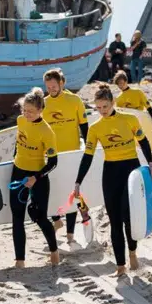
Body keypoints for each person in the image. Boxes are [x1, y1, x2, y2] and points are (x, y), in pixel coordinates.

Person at [74, 83, 152, 277]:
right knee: (115, 220)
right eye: (98, 108)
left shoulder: (130, 119)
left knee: (129, 218)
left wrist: (151, 162)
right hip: (110, 173)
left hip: (131, 171)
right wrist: (78, 181)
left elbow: (143, 141)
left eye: (105, 107)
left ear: (113, 102)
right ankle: (120, 266)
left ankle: (133, 254)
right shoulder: (95, 128)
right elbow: (88, 156)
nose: (102, 111)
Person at [9, 89, 60, 268]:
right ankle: (20, 260)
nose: (26, 114)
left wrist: (35, 178)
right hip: (18, 172)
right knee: (17, 217)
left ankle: (54, 251)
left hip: (37, 176)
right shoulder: (20, 121)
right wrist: (15, 161)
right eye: (24, 110)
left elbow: (53, 162)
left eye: (30, 111)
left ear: (40, 111)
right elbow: (18, 143)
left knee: (40, 217)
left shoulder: (47, 131)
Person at [43, 68, 89, 240]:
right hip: (52, 156)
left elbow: (84, 127)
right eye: (48, 87)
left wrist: (89, 151)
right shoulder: (44, 103)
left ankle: (70, 233)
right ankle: (56, 219)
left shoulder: (74, 100)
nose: (51, 90)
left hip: (72, 154)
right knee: (52, 191)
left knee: (72, 193)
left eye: (54, 86)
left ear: (61, 83)